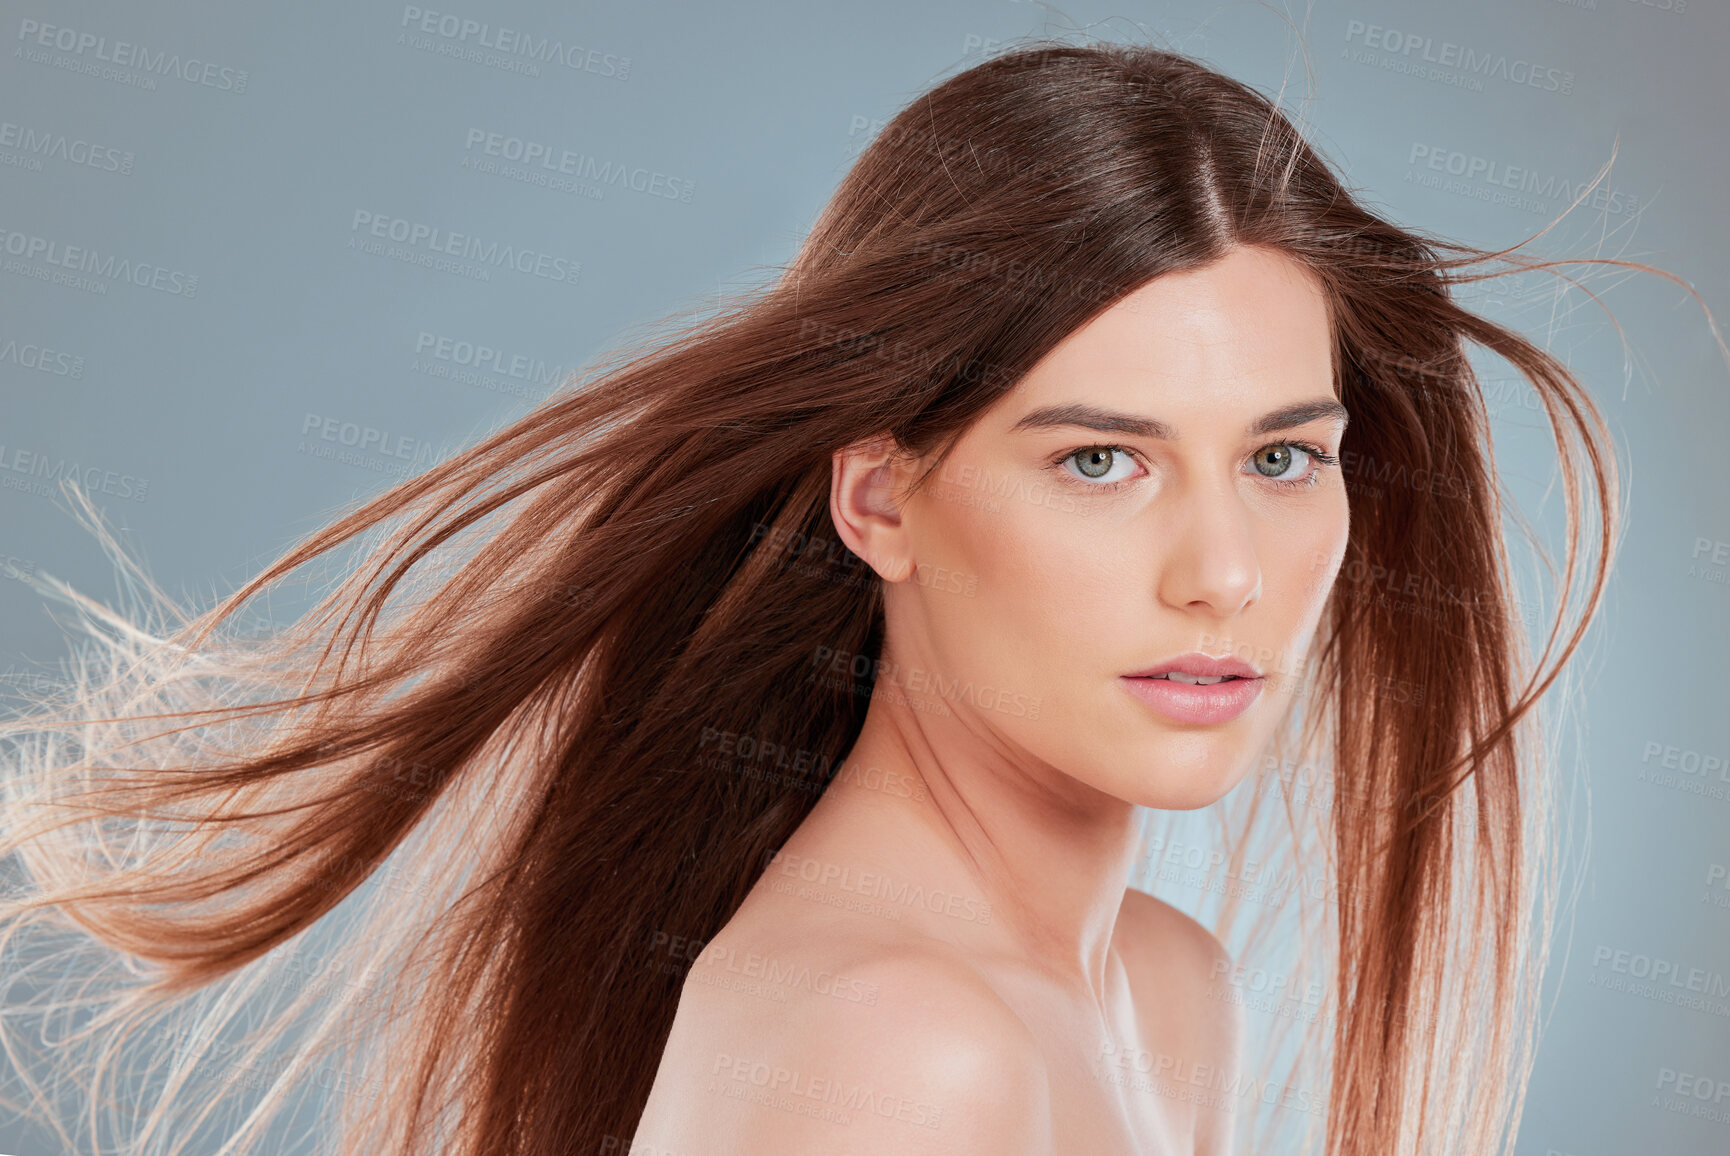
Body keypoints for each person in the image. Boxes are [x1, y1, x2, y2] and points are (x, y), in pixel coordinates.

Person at [0, 38, 1662, 1156]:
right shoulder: (899, 1054)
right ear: (881, 501)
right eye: (1099, 461)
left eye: (1284, 459)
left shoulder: (1163, 985)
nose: (1222, 572)